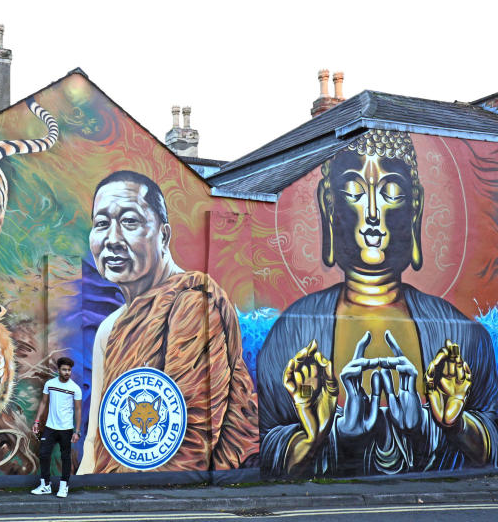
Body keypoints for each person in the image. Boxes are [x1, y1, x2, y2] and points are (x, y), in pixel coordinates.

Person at [258, 130, 498, 477]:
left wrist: (451, 424)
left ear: (415, 208)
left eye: (391, 193)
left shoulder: (460, 336)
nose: (372, 213)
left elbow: (489, 441)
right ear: (330, 206)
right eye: (354, 191)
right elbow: (265, 448)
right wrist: (318, 436)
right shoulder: (293, 335)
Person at [77, 170, 258, 474]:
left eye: (130, 222)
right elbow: (95, 438)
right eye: (102, 224)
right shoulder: (109, 328)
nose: (112, 239)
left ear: (164, 235)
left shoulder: (193, 303)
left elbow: (188, 434)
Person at [31, 357, 82, 497]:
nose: (67, 372)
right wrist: (37, 421)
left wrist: (77, 431)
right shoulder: (50, 384)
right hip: (50, 427)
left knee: (65, 457)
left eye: (69, 370)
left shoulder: (75, 388)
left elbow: (78, 410)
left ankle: (64, 486)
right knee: (43, 454)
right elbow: (43, 403)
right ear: (58, 370)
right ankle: (45, 485)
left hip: (66, 428)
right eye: (64, 370)